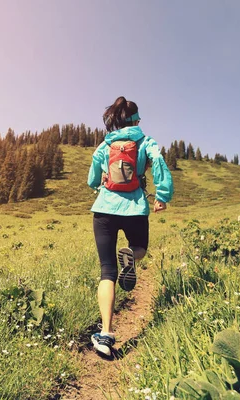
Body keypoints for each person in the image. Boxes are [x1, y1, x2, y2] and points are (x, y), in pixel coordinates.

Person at [87, 96, 174, 356]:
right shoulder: (146, 142)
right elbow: (158, 163)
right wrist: (162, 196)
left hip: (104, 210)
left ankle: (105, 334)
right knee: (140, 247)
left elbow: (92, 178)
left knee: (106, 272)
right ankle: (132, 258)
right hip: (135, 208)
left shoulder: (105, 145)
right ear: (137, 120)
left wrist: (98, 183)